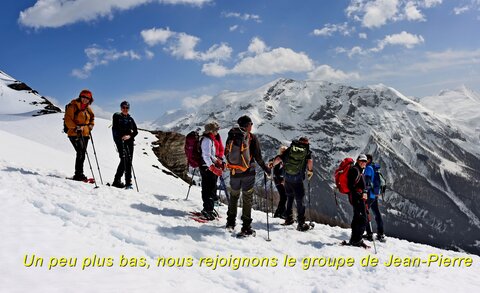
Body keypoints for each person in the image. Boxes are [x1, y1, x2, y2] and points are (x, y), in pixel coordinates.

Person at [226, 115, 270, 236]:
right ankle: (246, 227)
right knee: (247, 199)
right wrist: (266, 169)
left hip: (234, 173)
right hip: (248, 174)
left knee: (234, 197)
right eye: (251, 124)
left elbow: (227, 154)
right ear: (248, 125)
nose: (252, 126)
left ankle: (230, 223)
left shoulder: (231, 135)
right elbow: (258, 157)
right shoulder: (251, 137)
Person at [273, 137, 313, 231]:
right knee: (300, 200)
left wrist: (272, 164)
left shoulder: (290, 149)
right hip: (297, 179)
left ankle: (289, 219)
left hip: (287, 178)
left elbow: (279, 158)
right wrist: (310, 171)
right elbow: (310, 162)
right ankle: (301, 223)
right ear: (306, 143)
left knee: (289, 197)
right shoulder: (307, 151)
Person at [64, 89, 95, 181]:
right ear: (80, 97)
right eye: (83, 97)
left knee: (82, 153)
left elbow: (92, 118)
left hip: (85, 134)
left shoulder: (88, 109)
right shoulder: (73, 106)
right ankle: (78, 174)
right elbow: (68, 119)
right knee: (80, 152)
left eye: (87, 98)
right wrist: (76, 127)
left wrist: (90, 125)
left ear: (90, 99)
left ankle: (79, 174)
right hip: (74, 133)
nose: (85, 99)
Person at [199, 122, 224, 220]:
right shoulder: (207, 140)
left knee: (211, 188)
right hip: (207, 167)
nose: (217, 132)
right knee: (209, 188)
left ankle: (209, 209)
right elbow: (205, 155)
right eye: (216, 130)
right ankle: (207, 210)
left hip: (208, 166)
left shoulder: (210, 139)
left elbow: (210, 155)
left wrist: (217, 161)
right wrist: (212, 167)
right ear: (211, 131)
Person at [112, 101, 138, 189]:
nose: (125, 109)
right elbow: (115, 130)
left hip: (129, 142)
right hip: (120, 142)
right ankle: (117, 180)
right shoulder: (117, 116)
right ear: (121, 108)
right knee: (124, 160)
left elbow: (136, 131)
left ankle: (128, 182)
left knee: (129, 161)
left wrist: (129, 136)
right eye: (123, 107)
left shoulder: (131, 119)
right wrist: (121, 137)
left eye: (127, 108)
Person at [347, 154, 369, 247]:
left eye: (365, 161)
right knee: (363, 219)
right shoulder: (355, 170)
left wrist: (364, 192)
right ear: (358, 160)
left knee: (357, 218)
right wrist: (360, 194)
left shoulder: (359, 170)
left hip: (359, 198)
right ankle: (357, 239)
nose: (363, 163)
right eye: (362, 161)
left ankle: (354, 239)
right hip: (357, 198)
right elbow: (351, 186)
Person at [363, 154, 386, 242]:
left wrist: (364, 191)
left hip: (369, 194)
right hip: (374, 195)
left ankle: (369, 233)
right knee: (377, 213)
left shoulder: (368, 168)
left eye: (365, 159)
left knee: (364, 212)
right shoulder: (374, 168)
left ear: (368, 160)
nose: (364, 161)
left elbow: (367, 181)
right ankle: (380, 233)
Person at [268, 146, 288, 218]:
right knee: (284, 197)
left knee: (284, 196)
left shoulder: (281, 158)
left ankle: (283, 213)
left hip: (279, 180)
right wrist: (282, 180)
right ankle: (279, 213)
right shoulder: (280, 158)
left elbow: (272, 161)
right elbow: (277, 171)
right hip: (279, 180)